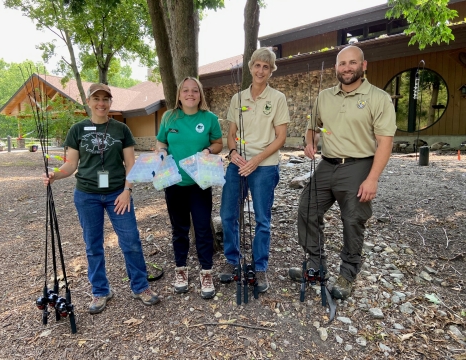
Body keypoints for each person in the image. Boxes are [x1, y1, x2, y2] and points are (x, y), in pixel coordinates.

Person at [289, 46, 396, 300]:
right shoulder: (325, 97)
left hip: (359, 165)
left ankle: (347, 274)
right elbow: (313, 127)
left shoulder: (378, 97)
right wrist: (310, 141)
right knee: (307, 209)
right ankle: (315, 265)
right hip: (327, 164)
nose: (347, 68)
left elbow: (385, 142)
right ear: (336, 67)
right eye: (342, 64)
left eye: (352, 63)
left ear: (363, 65)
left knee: (352, 221)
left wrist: (372, 178)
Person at [42, 83, 160, 314]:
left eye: (106, 99)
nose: (101, 103)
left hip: (118, 193)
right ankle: (100, 290)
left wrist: (127, 191)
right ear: (88, 102)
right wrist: (55, 175)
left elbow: (130, 164)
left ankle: (140, 286)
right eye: (97, 99)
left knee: (131, 241)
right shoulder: (77, 130)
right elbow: (71, 164)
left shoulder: (121, 130)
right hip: (87, 195)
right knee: (93, 245)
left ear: (110, 102)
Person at [219, 47, 290, 293]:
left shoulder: (277, 98)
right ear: (250, 67)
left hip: (265, 166)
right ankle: (232, 260)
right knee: (228, 214)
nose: (261, 70)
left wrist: (257, 160)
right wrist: (233, 153)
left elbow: (281, 137)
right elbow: (230, 135)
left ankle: (260, 267)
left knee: (262, 219)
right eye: (257, 65)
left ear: (271, 71)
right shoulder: (237, 99)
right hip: (238, 165)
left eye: (266, 67)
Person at [155, 77, 223, 299]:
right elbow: (161, 142)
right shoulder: (169, 116)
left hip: (199, 183)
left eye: (195, 90)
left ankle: (206, 272)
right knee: (179, 229)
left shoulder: (209, 118)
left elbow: (218, 143)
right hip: (174, 182)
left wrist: (209, 151)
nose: (190, 94)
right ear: (179, 94)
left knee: (203, 228)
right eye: (186, 90)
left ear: (200, 94)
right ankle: (181, 270)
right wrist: (162, 152)